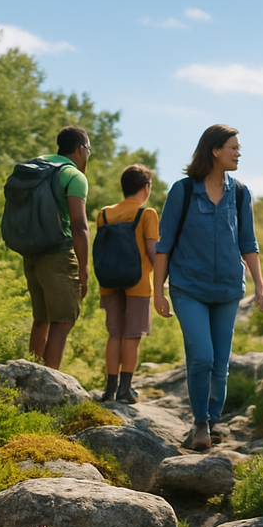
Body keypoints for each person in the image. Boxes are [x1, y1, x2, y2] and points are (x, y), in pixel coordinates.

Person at [154, 124, 263, 452]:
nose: (238, 153)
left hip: (227, 289)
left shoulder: (240, 192)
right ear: (214, 150)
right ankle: (201, 422)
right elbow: (164, 245)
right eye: (233, 147)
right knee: (202, 357)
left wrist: (261, 286)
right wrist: (157, 291)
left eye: (238, 147)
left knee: (221, 363)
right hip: (188, 288)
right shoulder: (183, 191)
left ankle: (213, 419)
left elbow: (248, 242)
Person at [24, 125, 91, 370]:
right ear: (80, 149)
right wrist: (83, 269)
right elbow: (79, 226)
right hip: (58, 255)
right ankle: (48, 381)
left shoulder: (37, 167)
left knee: (41, 319)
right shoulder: (73, 176)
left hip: (31, 251)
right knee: (63, 321)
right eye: (89, 150)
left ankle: (30, 375)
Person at [97, 164, 159, 403]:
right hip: (138, 282)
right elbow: (153, 251)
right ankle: (125, 389)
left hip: (109, 281)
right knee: (132, 335)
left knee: (114, 334)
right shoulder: (147, 214)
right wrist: (161, 275)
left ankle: (109, 389)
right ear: (146, 188)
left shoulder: (103, 214)